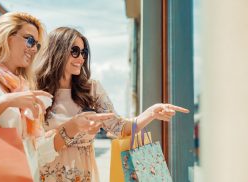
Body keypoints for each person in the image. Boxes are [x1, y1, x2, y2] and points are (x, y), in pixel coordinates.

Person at [35, 26, 190, 182]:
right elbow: (32, 144)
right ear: (57, 50)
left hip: (81, 176)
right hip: (45, 174)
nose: (81, 58)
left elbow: (119, 127)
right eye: (75, 51)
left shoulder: (92, 89)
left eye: (84, 53)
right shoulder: (35, 89)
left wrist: (151, 113)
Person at [0, 12, 114, 182]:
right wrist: (7, 101)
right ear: (7, 36)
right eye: (29, 40)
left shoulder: (26, 86)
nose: (34, 49)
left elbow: (37, 151)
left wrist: (73, 127)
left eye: (37, 45)